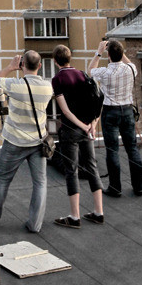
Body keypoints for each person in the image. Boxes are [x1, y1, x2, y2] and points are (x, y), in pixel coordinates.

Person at [0, 51, 53, 233]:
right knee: (40, 183)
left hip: (14, 141)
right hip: (38, 141)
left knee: (2, 178)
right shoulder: (47, 88)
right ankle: (35, 224)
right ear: (39, 66)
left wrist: (11, 67)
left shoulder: (15, 85)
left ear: (22, 64)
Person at [51, 46, 104, 228]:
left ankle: (75, 216)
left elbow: (64, 110)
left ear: (55, 61)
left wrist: (81, 126)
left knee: (71, 171)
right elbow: (97, 100)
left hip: (70, 130)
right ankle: (98, 212)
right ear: (70, 58)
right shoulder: (82, 74)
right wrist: (91, 126)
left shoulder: (57, 79)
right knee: (92, 166)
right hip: (88, 127)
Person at [88, 39, 142, 197]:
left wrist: (99, 52)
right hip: (127, 111)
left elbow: (90, 70)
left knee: (112, 150)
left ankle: (115, 187)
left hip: (110, 112)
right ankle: (139, 186)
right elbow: (128, 62)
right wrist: (119, 50)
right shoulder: (131, 69)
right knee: (132, 149)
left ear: (108, 55)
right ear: (121, 54)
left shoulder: (105, 72)